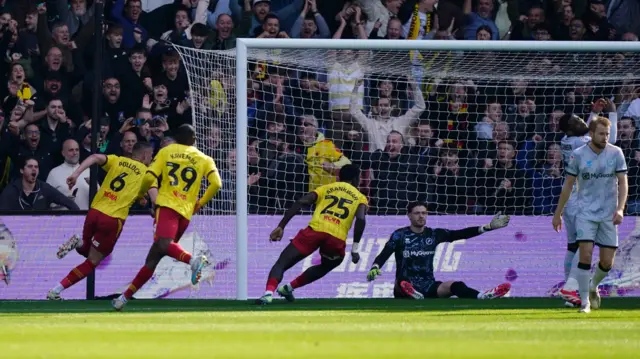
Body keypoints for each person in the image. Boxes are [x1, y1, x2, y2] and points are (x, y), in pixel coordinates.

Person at [112, 125, 222, 311]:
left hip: (167, 207)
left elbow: (148, 177)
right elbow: (216, 184)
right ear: (194, 140)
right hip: (186, 213)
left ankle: (193, 261)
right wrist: (199, 204)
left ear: (177, 138)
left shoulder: (166, 151)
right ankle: (123, 298)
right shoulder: (205, 159)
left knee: (163, 245)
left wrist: (141, 194)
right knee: (154, 257)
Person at [47, 142, 156, 300]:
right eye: (151, 156)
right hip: (112, 219)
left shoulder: (118, 161)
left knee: (86, 250)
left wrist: (76, 174)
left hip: (95, 211)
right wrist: (155, 211)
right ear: (145, 155)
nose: (151, 159)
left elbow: (95, 157)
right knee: (93, 261)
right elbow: (155, 198)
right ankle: (55, 291)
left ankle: (78, 244)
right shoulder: (148, 173)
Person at [256, 164, 368, 305]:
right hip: (336, 238)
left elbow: (301, 201)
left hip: (315, 231)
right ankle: (289, 288)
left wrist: (281, 226)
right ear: (356, 179)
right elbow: (361, 219)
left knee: (282, 263)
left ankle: (268, 294)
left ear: (340, 177)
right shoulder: (360, 197)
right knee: (328, 265)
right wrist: (355, 248)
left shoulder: (327, 188)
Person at [553, 116, 628, 313]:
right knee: (584, 253)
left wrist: (620, 208)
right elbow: (568, 184)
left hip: (606, 213)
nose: (605, 137)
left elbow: (623, 182)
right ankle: (581, 299)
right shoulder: (580, 148)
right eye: (601, 134)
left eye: (607, 134)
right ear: (592, 134)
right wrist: (611, 113)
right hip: (582, 209)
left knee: (605, 261)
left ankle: (588, 286)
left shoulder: (570, 142)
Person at [366, 202, 512, 300]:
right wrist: (375, 267)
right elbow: (384, 253)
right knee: (402, 281)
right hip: (403, 288)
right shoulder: (400, 235)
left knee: (455, 285)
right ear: (409, 216)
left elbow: (459, 234)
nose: (421, 216)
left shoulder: (434, 234)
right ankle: (411, 292)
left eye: (424, 213)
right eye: (417, 213)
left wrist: (488, 227)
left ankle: (482, 296)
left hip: (429, 286)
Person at [0, 158, 80, 211]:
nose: (34, 169)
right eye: (30, 166)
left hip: (40, 232)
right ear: (22, 170)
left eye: (36, 167)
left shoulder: (44, 188)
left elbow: (68, 203)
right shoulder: (11, 191)